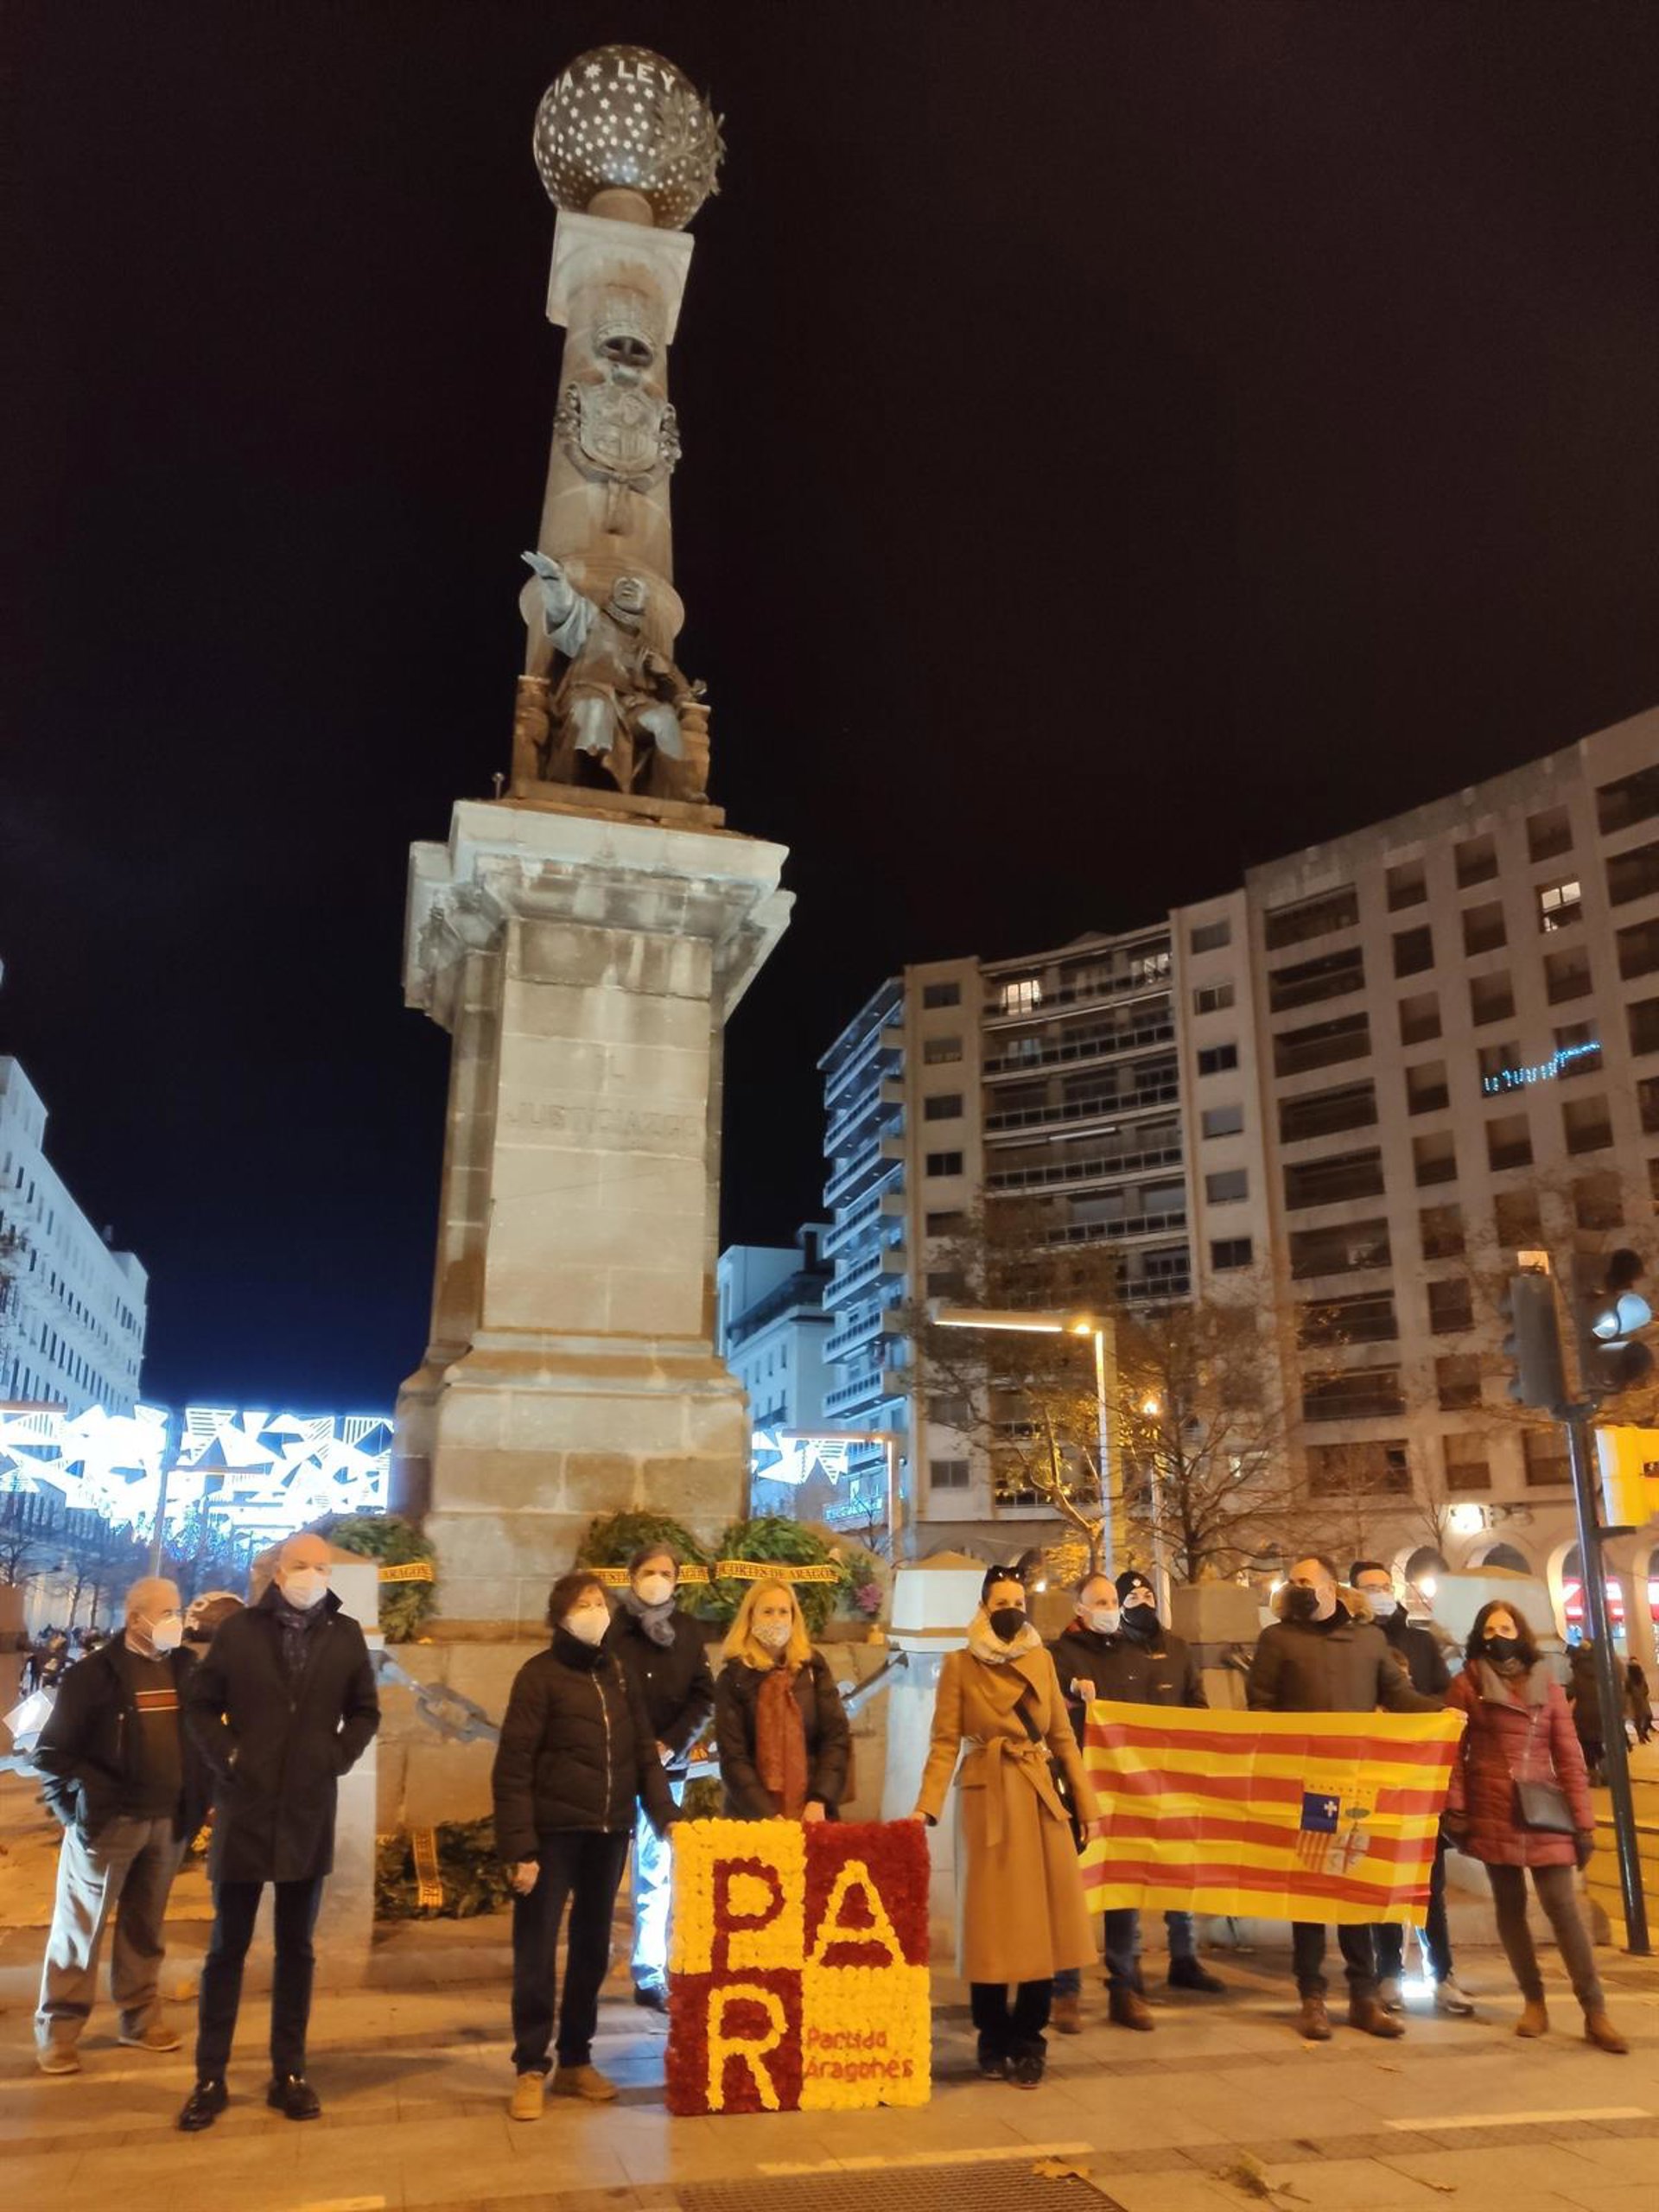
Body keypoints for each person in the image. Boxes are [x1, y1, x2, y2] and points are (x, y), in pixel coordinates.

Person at [178, 1534, 379, 2133]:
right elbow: (199, 1705)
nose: (312, 1575)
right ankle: (209, 2077)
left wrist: (335, 1756)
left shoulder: (344, 1636)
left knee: (297, 1949)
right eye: (301, 1565)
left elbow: (365, 1709)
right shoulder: (240, 1632)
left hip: (307, 1809)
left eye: (322, 1567)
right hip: (246, 1805)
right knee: (227, 1948)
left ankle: (289, 2072)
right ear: (278, 1571)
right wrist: (230, 1756)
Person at [494, 1571, 677, 2120]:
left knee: (592, 1949)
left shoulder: (617, 1674)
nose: (595, 1610)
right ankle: (530, 2066)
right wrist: (520, 1847)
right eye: (583, 1603)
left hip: (608, 1831)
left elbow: (643, 1753)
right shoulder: (538, 1676)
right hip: (552, 1835)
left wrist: (667, 1816)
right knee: (536, 1950)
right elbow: (514, 1766)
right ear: (560, 1615)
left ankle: (576, 2059)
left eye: (600, 1601)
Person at [913, 1566, 1100, 2088]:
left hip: (1038, 1796)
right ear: (983, 1607)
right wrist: (925, 1807)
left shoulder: (1042, 1659)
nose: (1012, 1611)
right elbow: (944, 1741)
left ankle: (1030, 2038)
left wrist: (1085, 1804)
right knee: (990, 1925)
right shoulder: (959, 1664)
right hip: (986, 1795)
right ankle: (991, 2035)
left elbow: (1062, 1738)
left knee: (1042, 1922)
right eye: (1001, 1603)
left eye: (1018, 1602)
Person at [1247, 1553, 1440, 2042]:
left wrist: (1441, 1714)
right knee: (1310, 1893)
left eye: (1304, 1580)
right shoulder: (1277, 1639)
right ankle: (1311, 1996)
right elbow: (1261, 1706)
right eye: (1292, 1581)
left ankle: (1363, 1996)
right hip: (1306, 1785)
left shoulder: (1368, 1639)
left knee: (1354, 1889)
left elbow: (1397, 1696)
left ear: (1330, 1587)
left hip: (1357, 1782)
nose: (1296, 1587)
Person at [31, 1577, 206, 2073]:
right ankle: (59, 2030)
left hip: (168, 1822)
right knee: (79, 1930)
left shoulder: (186, 1668)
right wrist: (78, 1812)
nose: (176, 1621)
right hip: (110, 1825)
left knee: (145, 1927)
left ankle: (139, 2019)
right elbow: (52, 1753)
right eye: (166, 1612)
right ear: (134, 1619)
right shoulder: (94, 1675)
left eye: (178, 1611)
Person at [1443, 1601, 1626, 2053]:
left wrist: (1583, 1823)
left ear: (1520, 1632)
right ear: (1479, 1635)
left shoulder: (1547, 1683)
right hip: (1493, 1805)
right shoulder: (1466, 1684)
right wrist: (1458, 1809)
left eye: (1506, 1627)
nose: (1498, 1636)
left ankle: (1595, 2010)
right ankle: (1534, 2001)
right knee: (1511, 1907)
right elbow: (1453, 1754)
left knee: (1563, 1908)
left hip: (1544, 1807)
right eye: (1490, 1629)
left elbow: (1568, 1756)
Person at [1049, 1568, 1224, 2034]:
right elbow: (1048, 1709)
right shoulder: (1060, 1655)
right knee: (1073, 1889)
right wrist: (1073, 1695)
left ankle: (1124, 1987)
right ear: (1080, 1609)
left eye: (1113, 1602)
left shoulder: (1131, 1653)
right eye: (1101, 1602)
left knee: (1122, 1889)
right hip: (1080, 1786)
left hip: (1127, 1788)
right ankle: (1065, 1988)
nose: (1110, 1610)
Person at [1347, 1560, 1473, 2017]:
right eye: (1369, 1587)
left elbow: (1442, 1695)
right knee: (1381, 1883)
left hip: (1419, 1781)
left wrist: (1424, 1716)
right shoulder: (1353, 1642)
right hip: (1374, 1784)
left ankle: (1442, 1973)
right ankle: (1389, 1973)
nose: (1380, 1593)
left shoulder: (1420, 1641)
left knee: (1429, 1888)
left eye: (1385, 1585)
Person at [605, 1542, 715, 2013]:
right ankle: (589, 1964)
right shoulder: (611, 1629)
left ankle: (650, 1972)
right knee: (603, 1869)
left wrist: (671, 1743)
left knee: (655, 1873)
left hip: (667, 1769)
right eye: (649, 1571)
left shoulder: (686, 1631)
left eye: (667, 1573)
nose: (658, 1580)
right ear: (632, 1576)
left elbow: (703, 1696)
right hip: (614, 1765)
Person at [713, 1580, 851, 1821]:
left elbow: (836, 1737)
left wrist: (819, 1799)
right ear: (750, 1617)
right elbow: (733, 1756)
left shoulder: (813, 1668)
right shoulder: (733, 1677)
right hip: (753, 1817)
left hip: (813, 1812)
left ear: (793, 1618)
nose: (776, 1620)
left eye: (783, 1612)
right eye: (767, 1612)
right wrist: (768, 1814)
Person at [1566, 1637, 1608, 1784]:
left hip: (1583, 1715)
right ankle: (1607, 1774)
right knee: (1598, 1743)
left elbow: (1569, 1694)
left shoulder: (1577, 1672)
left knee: (1587, 1745)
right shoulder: (1601, 1670)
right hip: (1601, 1713)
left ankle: (1593, 1776)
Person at [1627, 1659, 1653, 1746]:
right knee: (1637, 1719)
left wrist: (1645, 1692)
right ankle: (1641, 1736)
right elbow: (1628, 1690)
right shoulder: (1628, 1678)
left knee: (1649, 1716)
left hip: (1642, 1699)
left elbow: (1645, 1686)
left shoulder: (1641, 1675)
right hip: (1634, 1701)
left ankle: (1643, 1732)